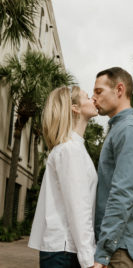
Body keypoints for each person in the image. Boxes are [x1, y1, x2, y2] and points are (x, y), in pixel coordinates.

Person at [92, 67, 133, 268]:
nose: (93, 98)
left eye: (99, 91)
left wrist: (103, 252)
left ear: (119, 90)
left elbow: (123, 193)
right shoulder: (121, 129)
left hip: (121, 251)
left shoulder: (129, 131)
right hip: (119, 248)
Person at [28, 86, 98, 268]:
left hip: (65, 249)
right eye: (87, 97)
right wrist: (88, 259)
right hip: (64, 251)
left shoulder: (74, 148)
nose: (93, 99)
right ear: (75, 108)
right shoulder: (70, 150)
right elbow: (78, 207)